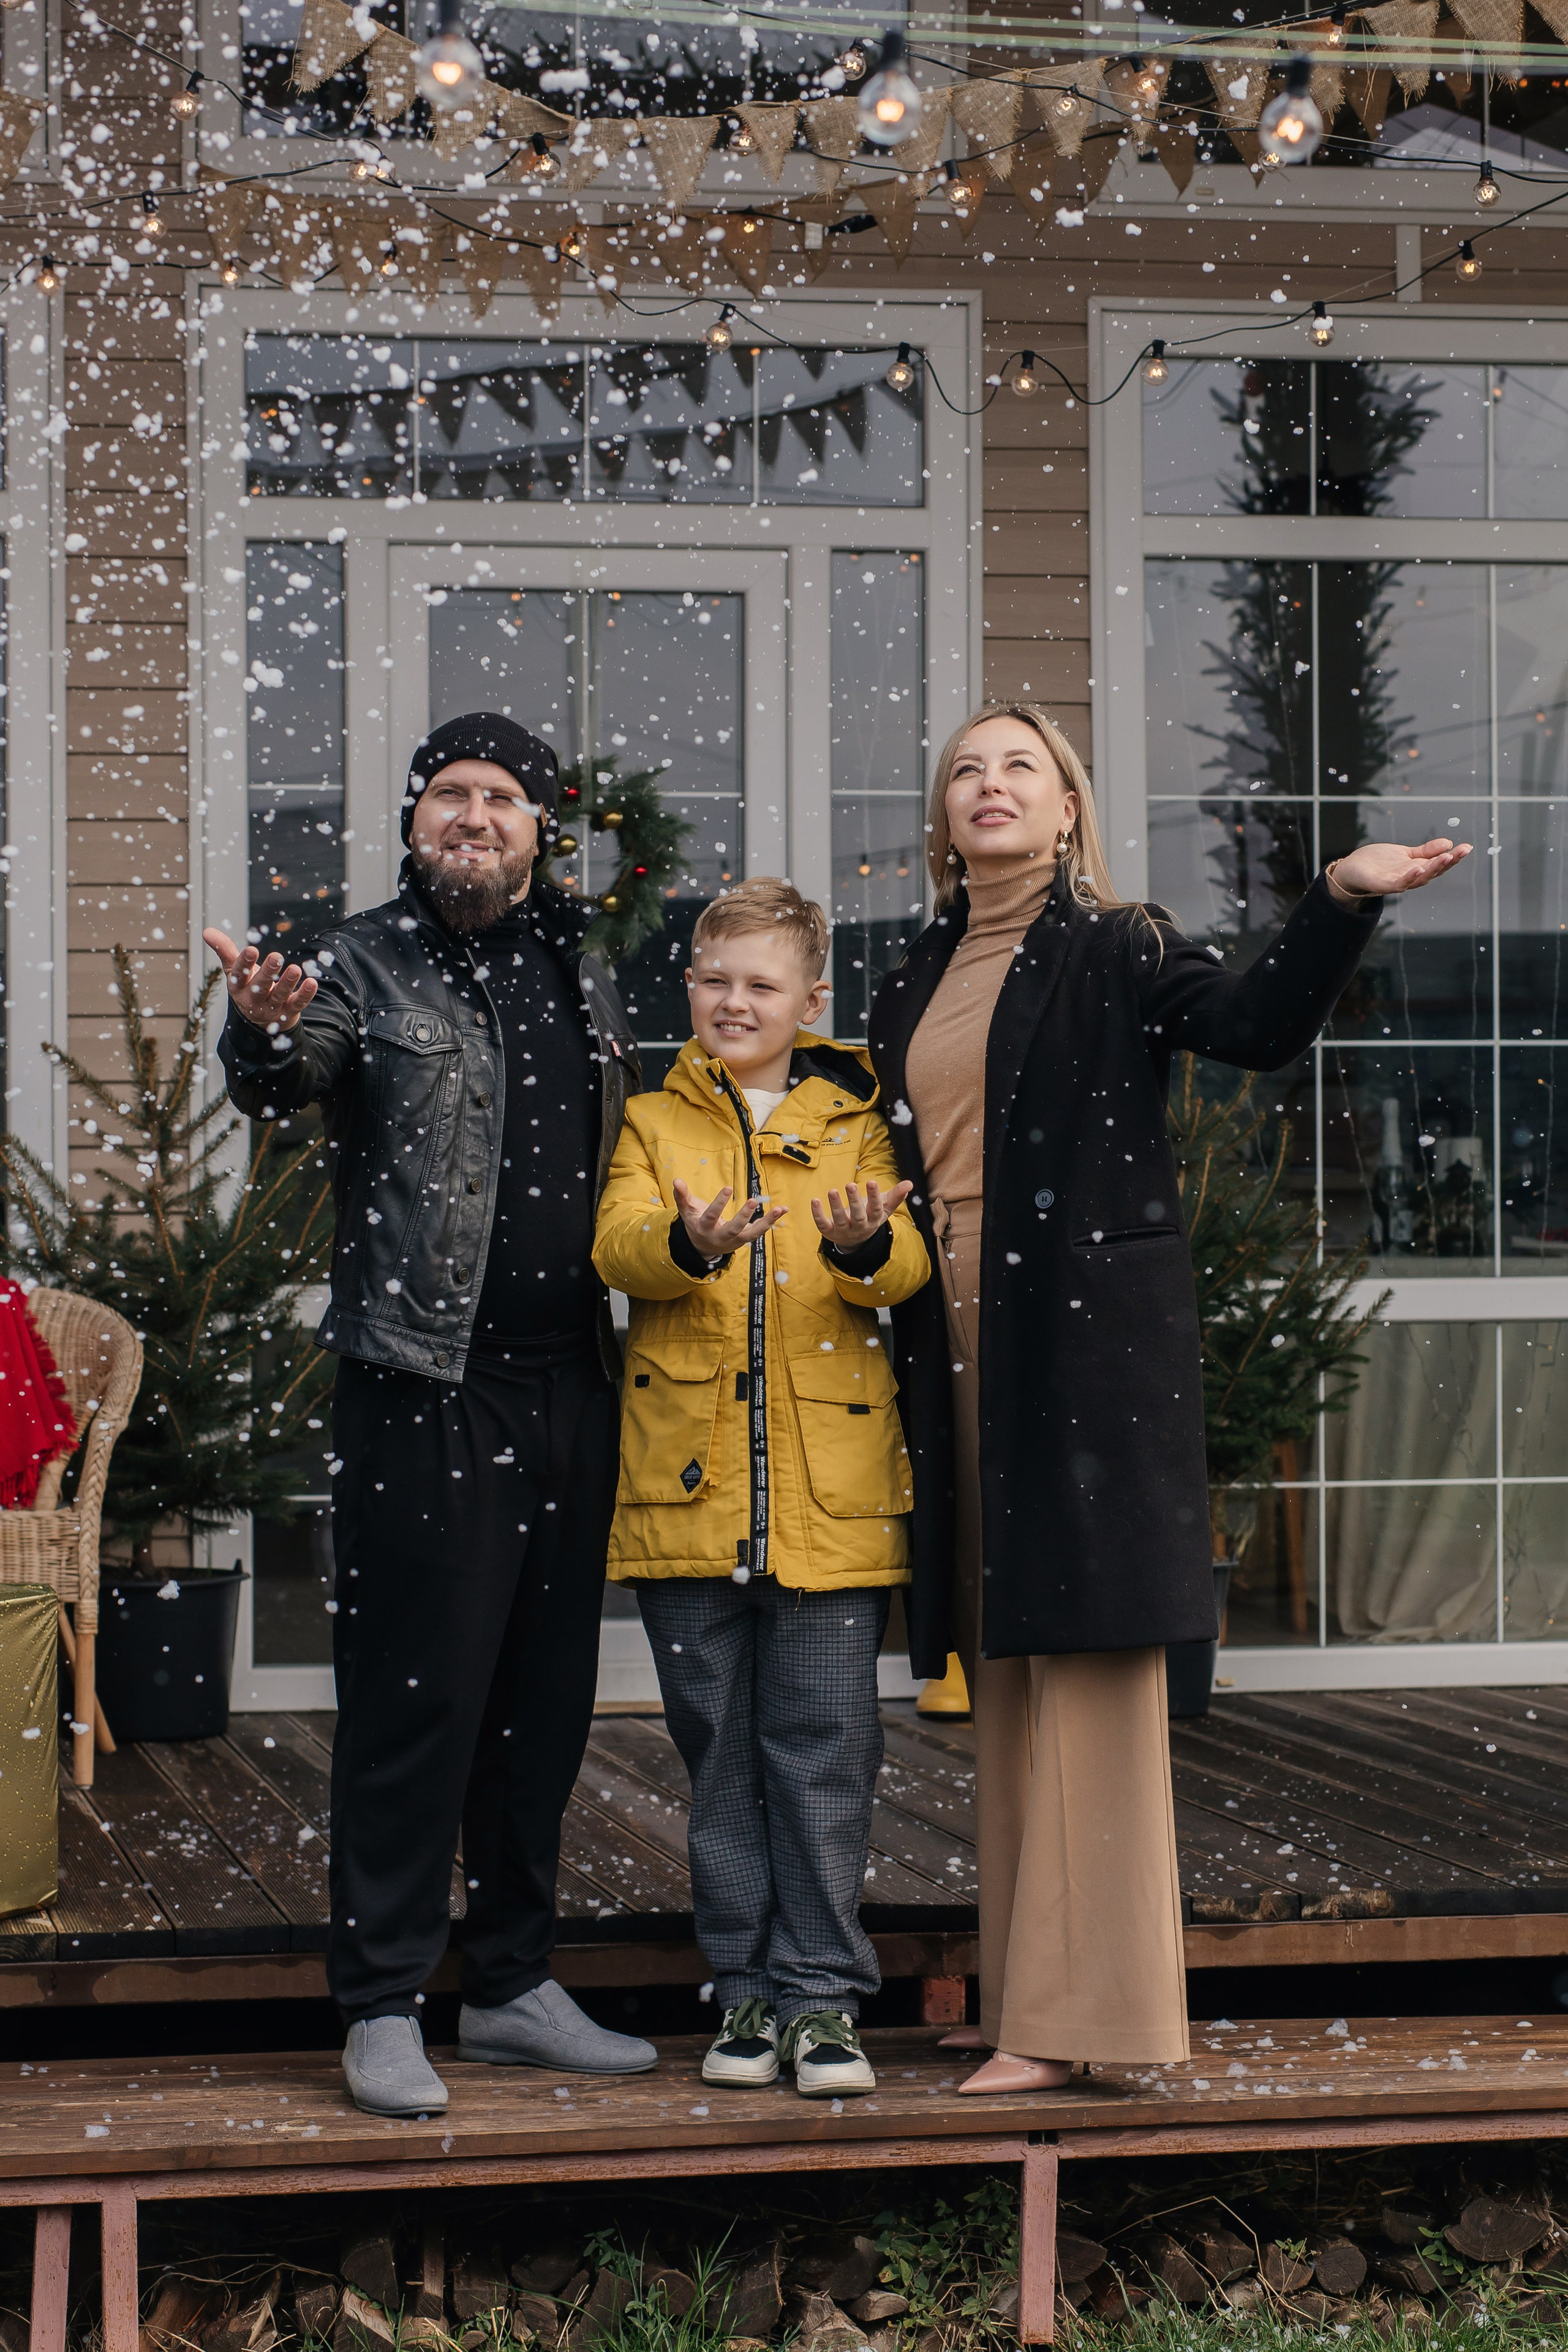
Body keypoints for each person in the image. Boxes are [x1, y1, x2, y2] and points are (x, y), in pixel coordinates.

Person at [868, 703, 1471, 2093]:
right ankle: (1026, 1986)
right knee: (1007, 1670)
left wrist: (1333, 900)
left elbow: (1251, 1032)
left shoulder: (1116, 942)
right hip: (953, 1323)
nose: (989, 783)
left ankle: (1092, 2021)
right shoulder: (914, 970)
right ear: (941, 816)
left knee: (1087, 1677)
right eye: (965, 768)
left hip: (1074, 1339)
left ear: (1067, 806)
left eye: (1019, 765)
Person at [205, 712, 658, 2118]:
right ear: (415, 824)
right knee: (418, 1698)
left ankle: (514, 1983)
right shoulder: (356, 960)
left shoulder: (579, 966)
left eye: (503, 796)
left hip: (572, 1379)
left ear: (540, 829)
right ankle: (385, 1999)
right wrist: (259, 1032)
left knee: (542, 1701)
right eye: (451, 794)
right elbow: (290, 1079)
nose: (475, 814)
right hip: (424, 1380)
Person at [592, 878, 930, 2098]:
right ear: (687, 984)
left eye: (760, 984)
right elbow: (617, 1245)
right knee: (721, 1761)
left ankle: (822, 2001)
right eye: (712, 979)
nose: (733, 1003)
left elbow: (900, 1267)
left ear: (808, 998)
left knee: (825, 1758)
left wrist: (856, 1246)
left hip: (831, 1506)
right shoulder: (647, 1120)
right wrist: (685, 1244)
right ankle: (739, 1992)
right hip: (684, 1502)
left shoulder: (854, 1121)